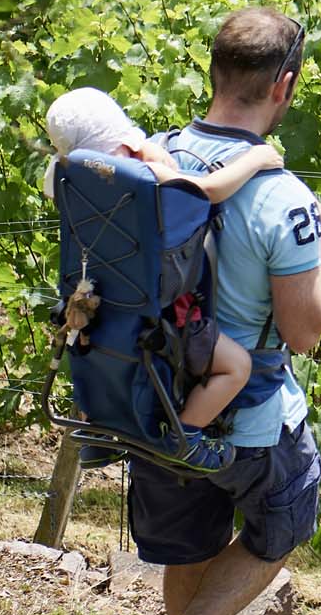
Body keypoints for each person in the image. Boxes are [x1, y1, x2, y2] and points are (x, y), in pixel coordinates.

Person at [127, 8, 321, 615]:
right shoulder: (284, 200)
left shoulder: (148, 159)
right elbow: (305, 332)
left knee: (189, 539)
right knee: (290, 511)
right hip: (242, 418)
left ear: (213, 71)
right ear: (285, 86)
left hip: (150, 398)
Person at [44, 86, 276, 431]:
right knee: (237, 367)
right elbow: (209, 190)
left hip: (103, 304)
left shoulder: (64, 179)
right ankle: (183, 437)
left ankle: (99, 426)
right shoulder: (147, 178)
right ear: (131, 148)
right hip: (164, 315)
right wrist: (259, 158)